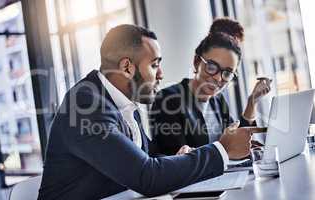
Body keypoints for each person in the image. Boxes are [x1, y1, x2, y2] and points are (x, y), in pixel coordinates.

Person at [38, 24, 257, 200]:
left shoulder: (123, 103)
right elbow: (147, 176)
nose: (161, 74)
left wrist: (176, 158)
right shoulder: (85, 104)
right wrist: (222, 150)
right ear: (126, 67)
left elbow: (149, 156)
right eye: (154, 65)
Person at [150, 18, 272, 156]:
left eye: (227, 73)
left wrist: (252, 101)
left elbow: (238, 140)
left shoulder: (218, 101)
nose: (218, 78)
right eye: (212, 67)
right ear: (197, 62)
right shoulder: (168, 99)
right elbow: (175, 162)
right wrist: (224, 150)